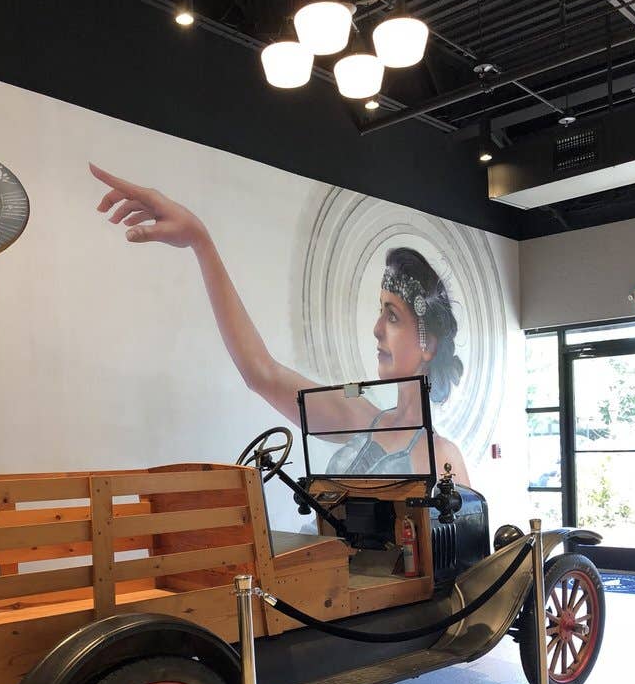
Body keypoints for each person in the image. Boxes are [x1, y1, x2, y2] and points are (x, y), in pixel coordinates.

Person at [90, 164, 470, 484]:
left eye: (392, 317)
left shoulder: (444, 457)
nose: (376, 329)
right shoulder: (359, 413)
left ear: (428, 344)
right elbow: (262, 373)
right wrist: (200, 242)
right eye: (380, 312)